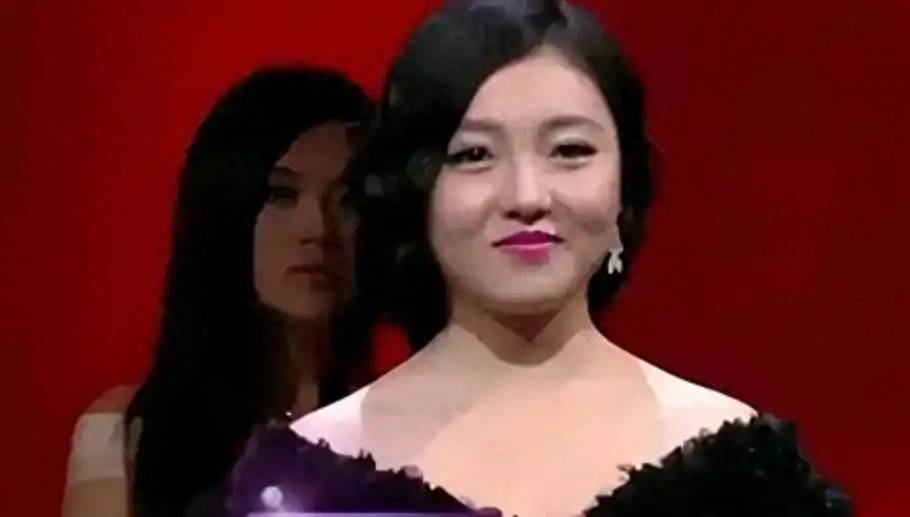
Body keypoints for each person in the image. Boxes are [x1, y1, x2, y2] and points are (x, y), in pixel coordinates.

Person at [201, 2, 851, 516]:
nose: (526, 196)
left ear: (625, 184)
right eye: (474, 155)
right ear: (412, 189)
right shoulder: (310, 483)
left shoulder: (740, 470)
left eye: (570, 151)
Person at [62, 66, 373, 517]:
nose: (317, 228)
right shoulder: (127, 433)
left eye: (347, 200)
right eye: (280, 194)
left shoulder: (406, 427)